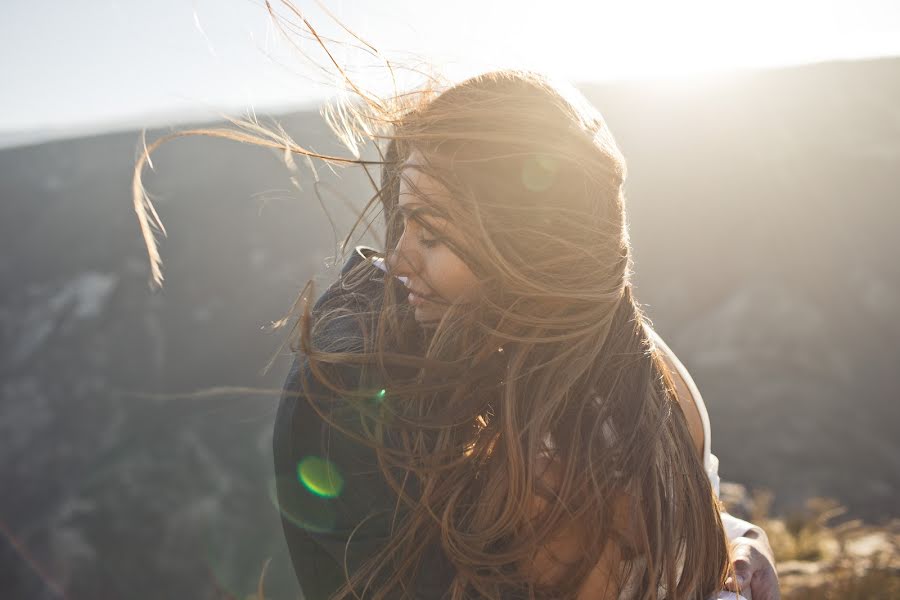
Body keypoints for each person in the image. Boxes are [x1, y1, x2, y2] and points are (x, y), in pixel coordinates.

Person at [131, 23, 778, 597]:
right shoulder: (354, 387)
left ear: (530, 254)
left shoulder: (644, 380)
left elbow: (700, 503)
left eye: (432, 235)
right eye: (404, 220)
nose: (398, 256)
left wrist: (736, 545)